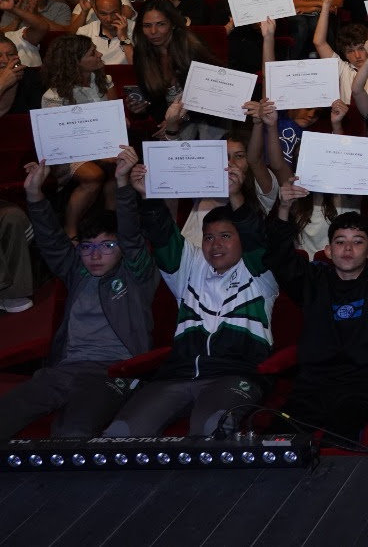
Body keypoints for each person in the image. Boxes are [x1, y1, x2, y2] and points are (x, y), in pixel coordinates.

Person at [105, 150, 279, 437]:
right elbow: (161, 232)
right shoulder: (189, 265)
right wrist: (148, 194)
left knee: (210, 429)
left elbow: (254, 235)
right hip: (178, 375)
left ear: (241, 240)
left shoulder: (261, 272)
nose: (215, 245)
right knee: (120, 433)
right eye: (209, 237)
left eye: (226, 236)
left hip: (235, 374)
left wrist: (236, 195)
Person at [0, 152, 157, 439]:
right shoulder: (77, 271)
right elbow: (51, 241)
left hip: (113, 372)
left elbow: (131, 236)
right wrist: (34, 194)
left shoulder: (136, 275)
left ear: (122, 249)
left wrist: (123, 183)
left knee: (71, 430)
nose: (95, 255)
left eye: (107, 246)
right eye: (87, 247)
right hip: (65, 370)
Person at [263, 185, 368, 441]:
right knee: (276, 439)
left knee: (340, 433)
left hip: (367, 384)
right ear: (328, 250)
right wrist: (283, 208)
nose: (348, 248)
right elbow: (280, 257)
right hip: (313, 385)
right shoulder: (312, 281)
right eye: (340, 242)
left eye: (357, 242)